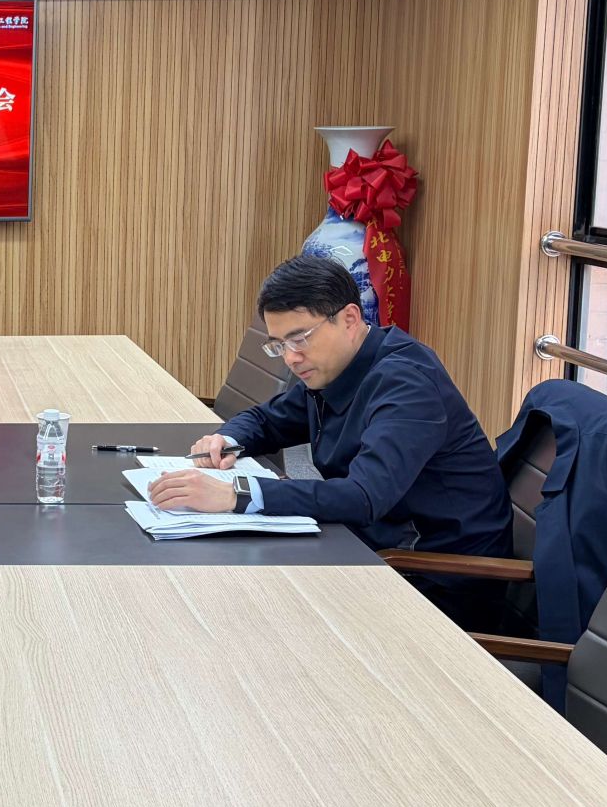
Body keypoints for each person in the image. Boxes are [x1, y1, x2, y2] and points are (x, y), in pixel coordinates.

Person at [152, 254, 513, 626]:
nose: (291, 358)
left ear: (350, 319)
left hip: (437, 581)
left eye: (300, 339)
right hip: (370, 544)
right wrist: (226, 439)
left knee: (246, 605)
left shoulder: (407, 385)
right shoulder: (335, 365)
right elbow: (268, 420)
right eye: (278, 345)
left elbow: (363, 497)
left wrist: (236, 494)